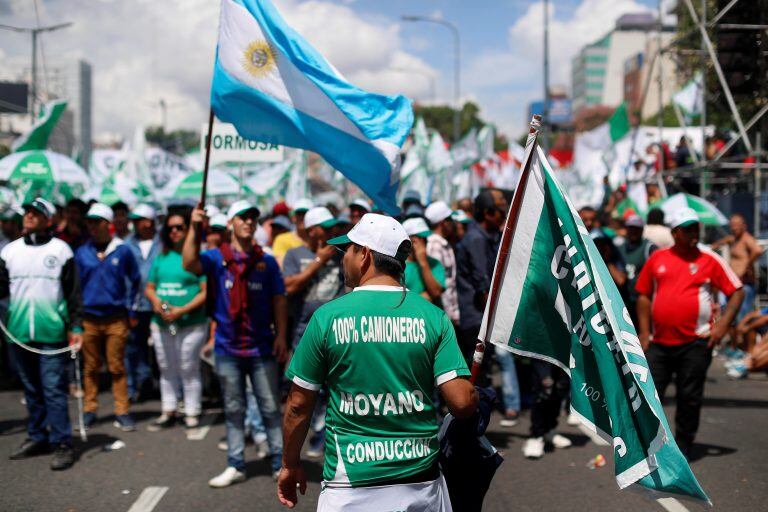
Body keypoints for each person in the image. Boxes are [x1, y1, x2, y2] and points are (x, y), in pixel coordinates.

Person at [277, 213, 478, 510]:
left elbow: (297, 404)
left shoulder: (327, 318)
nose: (343, 257)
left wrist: (289, 463)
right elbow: (462, 402)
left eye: (349, 249)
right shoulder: (433, 317)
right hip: (420, 481)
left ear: (365, 255)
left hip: (351, 485)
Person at [183, 199, 288, 487]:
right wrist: (194, 227)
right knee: (234, 408)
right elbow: (189, 262)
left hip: (261, 347)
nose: (249, 223)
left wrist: (281, 336)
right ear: (231, 223)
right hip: (227, 348)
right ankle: (236, 464)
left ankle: (280, 463)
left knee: (269, 406)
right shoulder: (217, 258)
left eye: (253, 218)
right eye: (242, 217)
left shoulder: (266, 262)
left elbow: (279, 300)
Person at [635, 208, 744, 457]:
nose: (694, 234)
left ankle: (683, 447)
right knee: (649, 395)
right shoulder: (658, 258)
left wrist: (722, 325)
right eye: (688, 230)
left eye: (696, 228)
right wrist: (643, 332)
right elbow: (643, 294)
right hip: (659, 343)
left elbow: (737, 291)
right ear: (675, 233)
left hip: (695, 342)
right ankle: (648, 444)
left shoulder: (709, 258)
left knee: (689, 397)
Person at [0, 198, 82, 470]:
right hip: (18, 332)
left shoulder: (61, 251)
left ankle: (62, 442)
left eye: (36, 213)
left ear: (48, 220)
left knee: (53, 389)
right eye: (27, 213)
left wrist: (76, 327)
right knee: (32, 389)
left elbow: (73, 293)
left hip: (52, 333)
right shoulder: (9, 251)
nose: (29, 217)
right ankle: (38, 436)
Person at [283, 206, 345, 459]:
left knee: (334, 389)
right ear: (311, 230)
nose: (332, 232)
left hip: (337, 332)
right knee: (308, 390)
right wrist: (318, 261)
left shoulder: (341, 255)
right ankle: (308, 435)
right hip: (304, 332)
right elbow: (290, 287)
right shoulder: (294, 255)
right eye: (326, 228)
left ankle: (325, 438)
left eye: (333, 227)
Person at [75, 203, 142, 432]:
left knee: (117, 367)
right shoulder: (82, 252)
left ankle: (122, 410)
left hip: (116, 318)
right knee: (91, 367)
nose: (92, 226)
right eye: (89, 222)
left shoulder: (122, 251)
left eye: (96, 221)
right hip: (89, 318)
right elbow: (75, 287)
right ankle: (90, 410)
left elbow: (136, 281)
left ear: (107, 224)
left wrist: (132, 311)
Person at [144, 211, 208, 430]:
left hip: (191, 323)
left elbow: (205, 291)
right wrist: (158, 304)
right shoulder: (161, 257)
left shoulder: (197, 257)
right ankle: (168, 408)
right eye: (170, 227)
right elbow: (150, 288)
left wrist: (182, 310)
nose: (174, 231)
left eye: (180, 227)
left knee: (188, 367)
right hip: (161, 323)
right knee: (166, 367)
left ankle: (192, 410)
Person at [455, 189, 508, 365]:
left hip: (481, 319)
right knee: (478, 376)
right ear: (488, 213)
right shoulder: (476, 239)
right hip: (477, 319)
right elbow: (482, 283)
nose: (504, 215)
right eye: (501, 211)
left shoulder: (489, 237)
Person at [124, 204, 161, 402]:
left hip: (158, 303)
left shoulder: (162, 242)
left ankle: (159, 384)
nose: (136, 223)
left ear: (149, 221)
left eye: (139, 219)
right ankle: (134, 387)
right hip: (136, 304)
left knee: (160, 347)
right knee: (133, 347)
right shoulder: (127, 244)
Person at [711, 213, 764, 331]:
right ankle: (734, 346)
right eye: (732, 225)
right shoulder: (734, 239)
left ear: (743, 226)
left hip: (744, 285)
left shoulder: (747, 239)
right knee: (730, 316)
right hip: (734, 285)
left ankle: (745, 346)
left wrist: (746, 267)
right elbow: (728, 239)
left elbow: (758, 250)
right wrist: (716, 245)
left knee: (742, 317)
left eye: (737, 225)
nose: (734, 228)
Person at [616, 215, 656, 327]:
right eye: (631, 228)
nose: (633, 232)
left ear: (642, 230)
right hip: (624, 300)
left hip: (642, 300)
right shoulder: (620, 247)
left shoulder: (649, 247)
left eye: (636, 229)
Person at [425, 201, 459, 325]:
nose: (452, 223)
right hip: (442, 317)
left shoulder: (443, 243)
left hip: (448, 315)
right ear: (443, 222)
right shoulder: (435, 246)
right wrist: (448, 317)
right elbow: (438, 285)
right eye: (450, 219)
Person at [402, 217, 445, 304]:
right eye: (421, 239)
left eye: (425, 239)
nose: (425, 242)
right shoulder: (398, 266)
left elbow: (436, 292)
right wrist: (420, 298)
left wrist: (423, 262)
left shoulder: (435, 264)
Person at [272, 198, 313, 266]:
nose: (302, 217)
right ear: (293, 217)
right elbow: (285, 270)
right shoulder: (282, 239)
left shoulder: (319, 240)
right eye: (299, 214)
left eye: (306, 214)